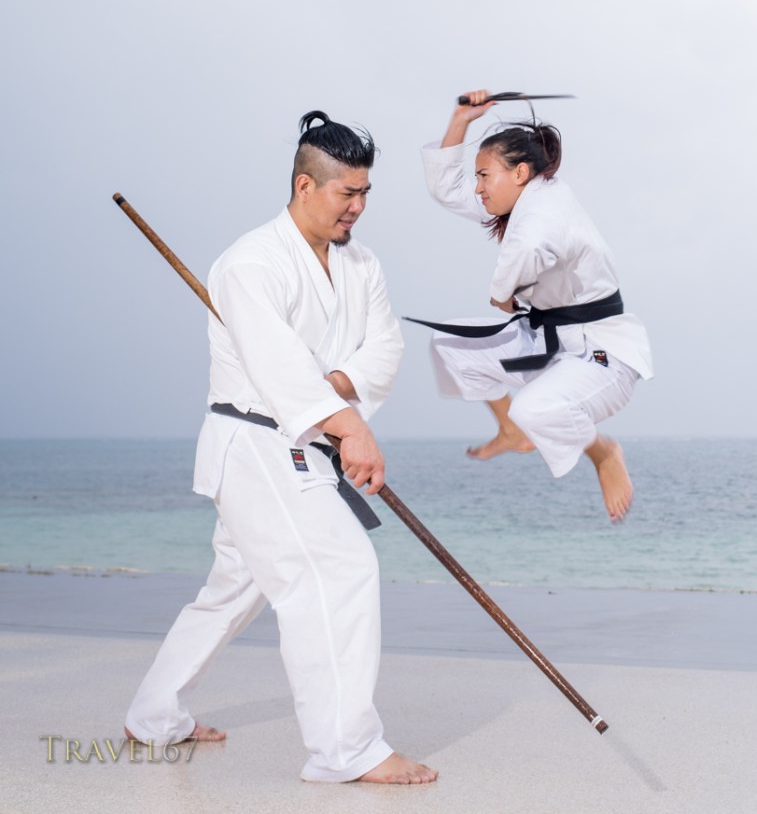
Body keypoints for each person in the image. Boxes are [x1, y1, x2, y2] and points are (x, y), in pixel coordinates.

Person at [124, 111, 437, 785]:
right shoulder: (250, 262)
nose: (358, 207)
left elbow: (385, 346)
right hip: (257, 442)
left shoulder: (362, 263)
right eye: (346, 193)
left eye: (365, 193)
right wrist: (348, 425)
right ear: (304, 185)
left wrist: (337, 392)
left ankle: (152, 716)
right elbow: (276, 365)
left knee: (233, 589)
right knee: (339, 569)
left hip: (302, 437)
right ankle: (344, 750)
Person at [417, 90, 653, 522]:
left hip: (602, 355)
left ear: (520, 172)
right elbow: (447, 189)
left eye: (484, 176)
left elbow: (521, 261)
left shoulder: (543, 212)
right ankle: (510, 431)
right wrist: (461, 120)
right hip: (546, 341)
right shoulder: (520, 196)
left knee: (533, 408)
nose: (477, 187)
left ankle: (603, 452)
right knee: (448, 345)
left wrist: (502, 294)